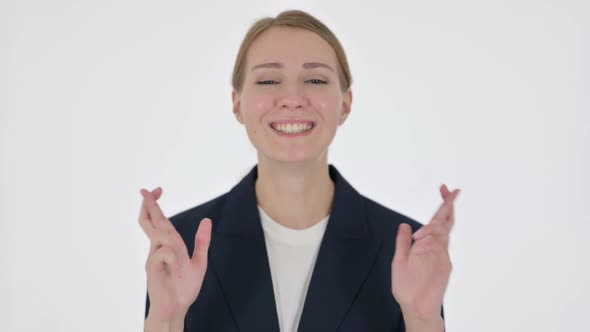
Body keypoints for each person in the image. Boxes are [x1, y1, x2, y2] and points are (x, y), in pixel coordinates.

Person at [139, 9, 460, 332]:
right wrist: (166, 321)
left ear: (345, 103)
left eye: (315, 80)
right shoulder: (183, 246)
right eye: (268, 80)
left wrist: (423, 320)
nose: (292, 98)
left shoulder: (405, 249)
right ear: (237, 103)